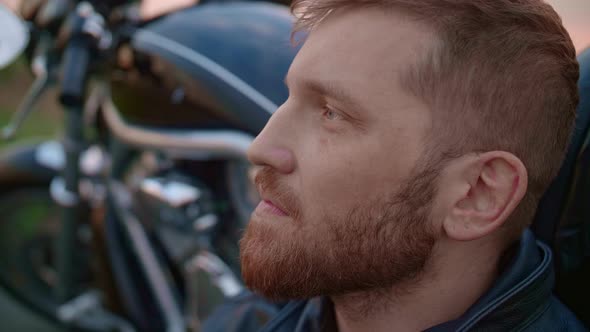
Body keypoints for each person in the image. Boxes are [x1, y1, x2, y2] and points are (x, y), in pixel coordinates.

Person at [202, 0, 588, 331]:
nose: (261, 148)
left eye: (331, 114)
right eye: (289, 97)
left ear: (477, 194)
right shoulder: (253, 317)